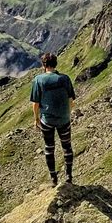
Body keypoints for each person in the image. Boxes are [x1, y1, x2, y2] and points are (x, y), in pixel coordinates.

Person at [30, 53, 76, 187]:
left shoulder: (38, 80)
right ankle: (68, 177)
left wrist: (36, 118)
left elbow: (35, 103)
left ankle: (53, 178)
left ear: (44, 65)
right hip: (64, 119)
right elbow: (71, 100)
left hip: (47, 120)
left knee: (49, 148)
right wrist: (67, 113)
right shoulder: (65, 79)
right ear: (56, 64)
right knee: (67, 147)